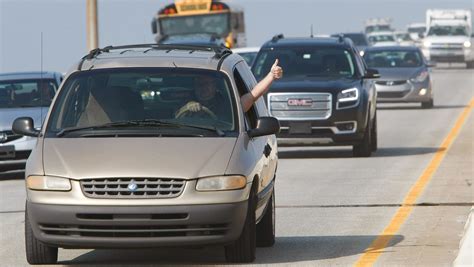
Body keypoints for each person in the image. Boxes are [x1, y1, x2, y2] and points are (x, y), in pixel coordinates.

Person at [175, 59, 283, 118]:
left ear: (215, 86)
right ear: (194, 86)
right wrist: (187, 106)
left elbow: (253, 95)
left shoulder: (228, 104)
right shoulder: (184, 101)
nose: (203, 87)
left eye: (207, 84)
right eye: (199, 84)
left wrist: (271, 76)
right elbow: (174, 120)